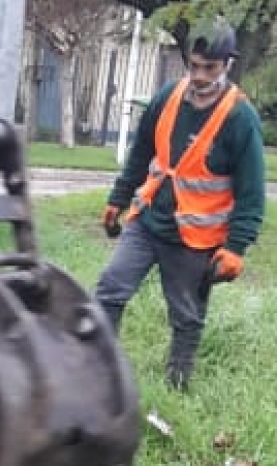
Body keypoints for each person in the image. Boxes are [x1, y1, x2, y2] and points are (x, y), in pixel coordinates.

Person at [96, 22, 265, 390]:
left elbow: (252, 192)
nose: (200, 76)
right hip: (148, 221)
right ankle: (101, 372)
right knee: (111, 288)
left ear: (228, 65)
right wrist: (118, 199)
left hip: (195, 238)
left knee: (186, 316)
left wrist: (236, 247)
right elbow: (141, 153)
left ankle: (177, 384)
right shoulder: (169, 97)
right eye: (195, 66)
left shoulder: (240, 118)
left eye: (211, 68)